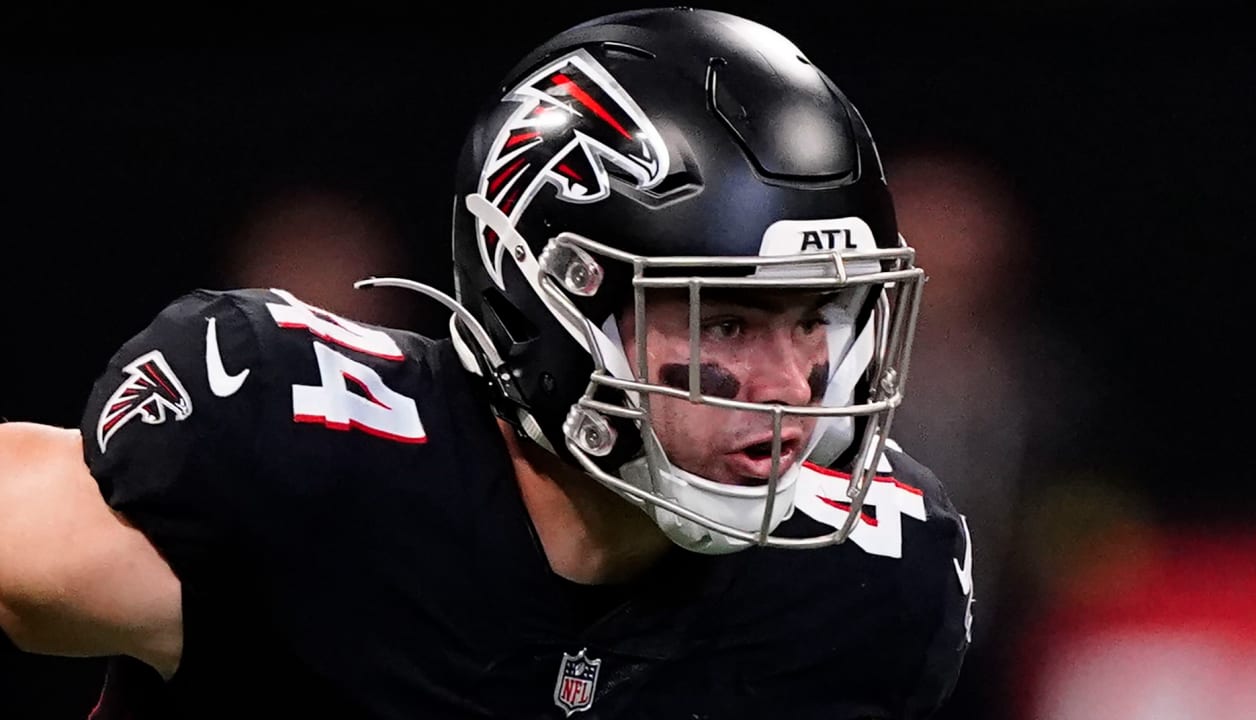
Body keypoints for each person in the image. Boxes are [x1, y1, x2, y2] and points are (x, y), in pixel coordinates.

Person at [0, 8, 973, 719]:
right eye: (722, 323)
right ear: (548, 293)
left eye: (814, 317)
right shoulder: (305, 467)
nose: (789, 386)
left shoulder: (864, 595)